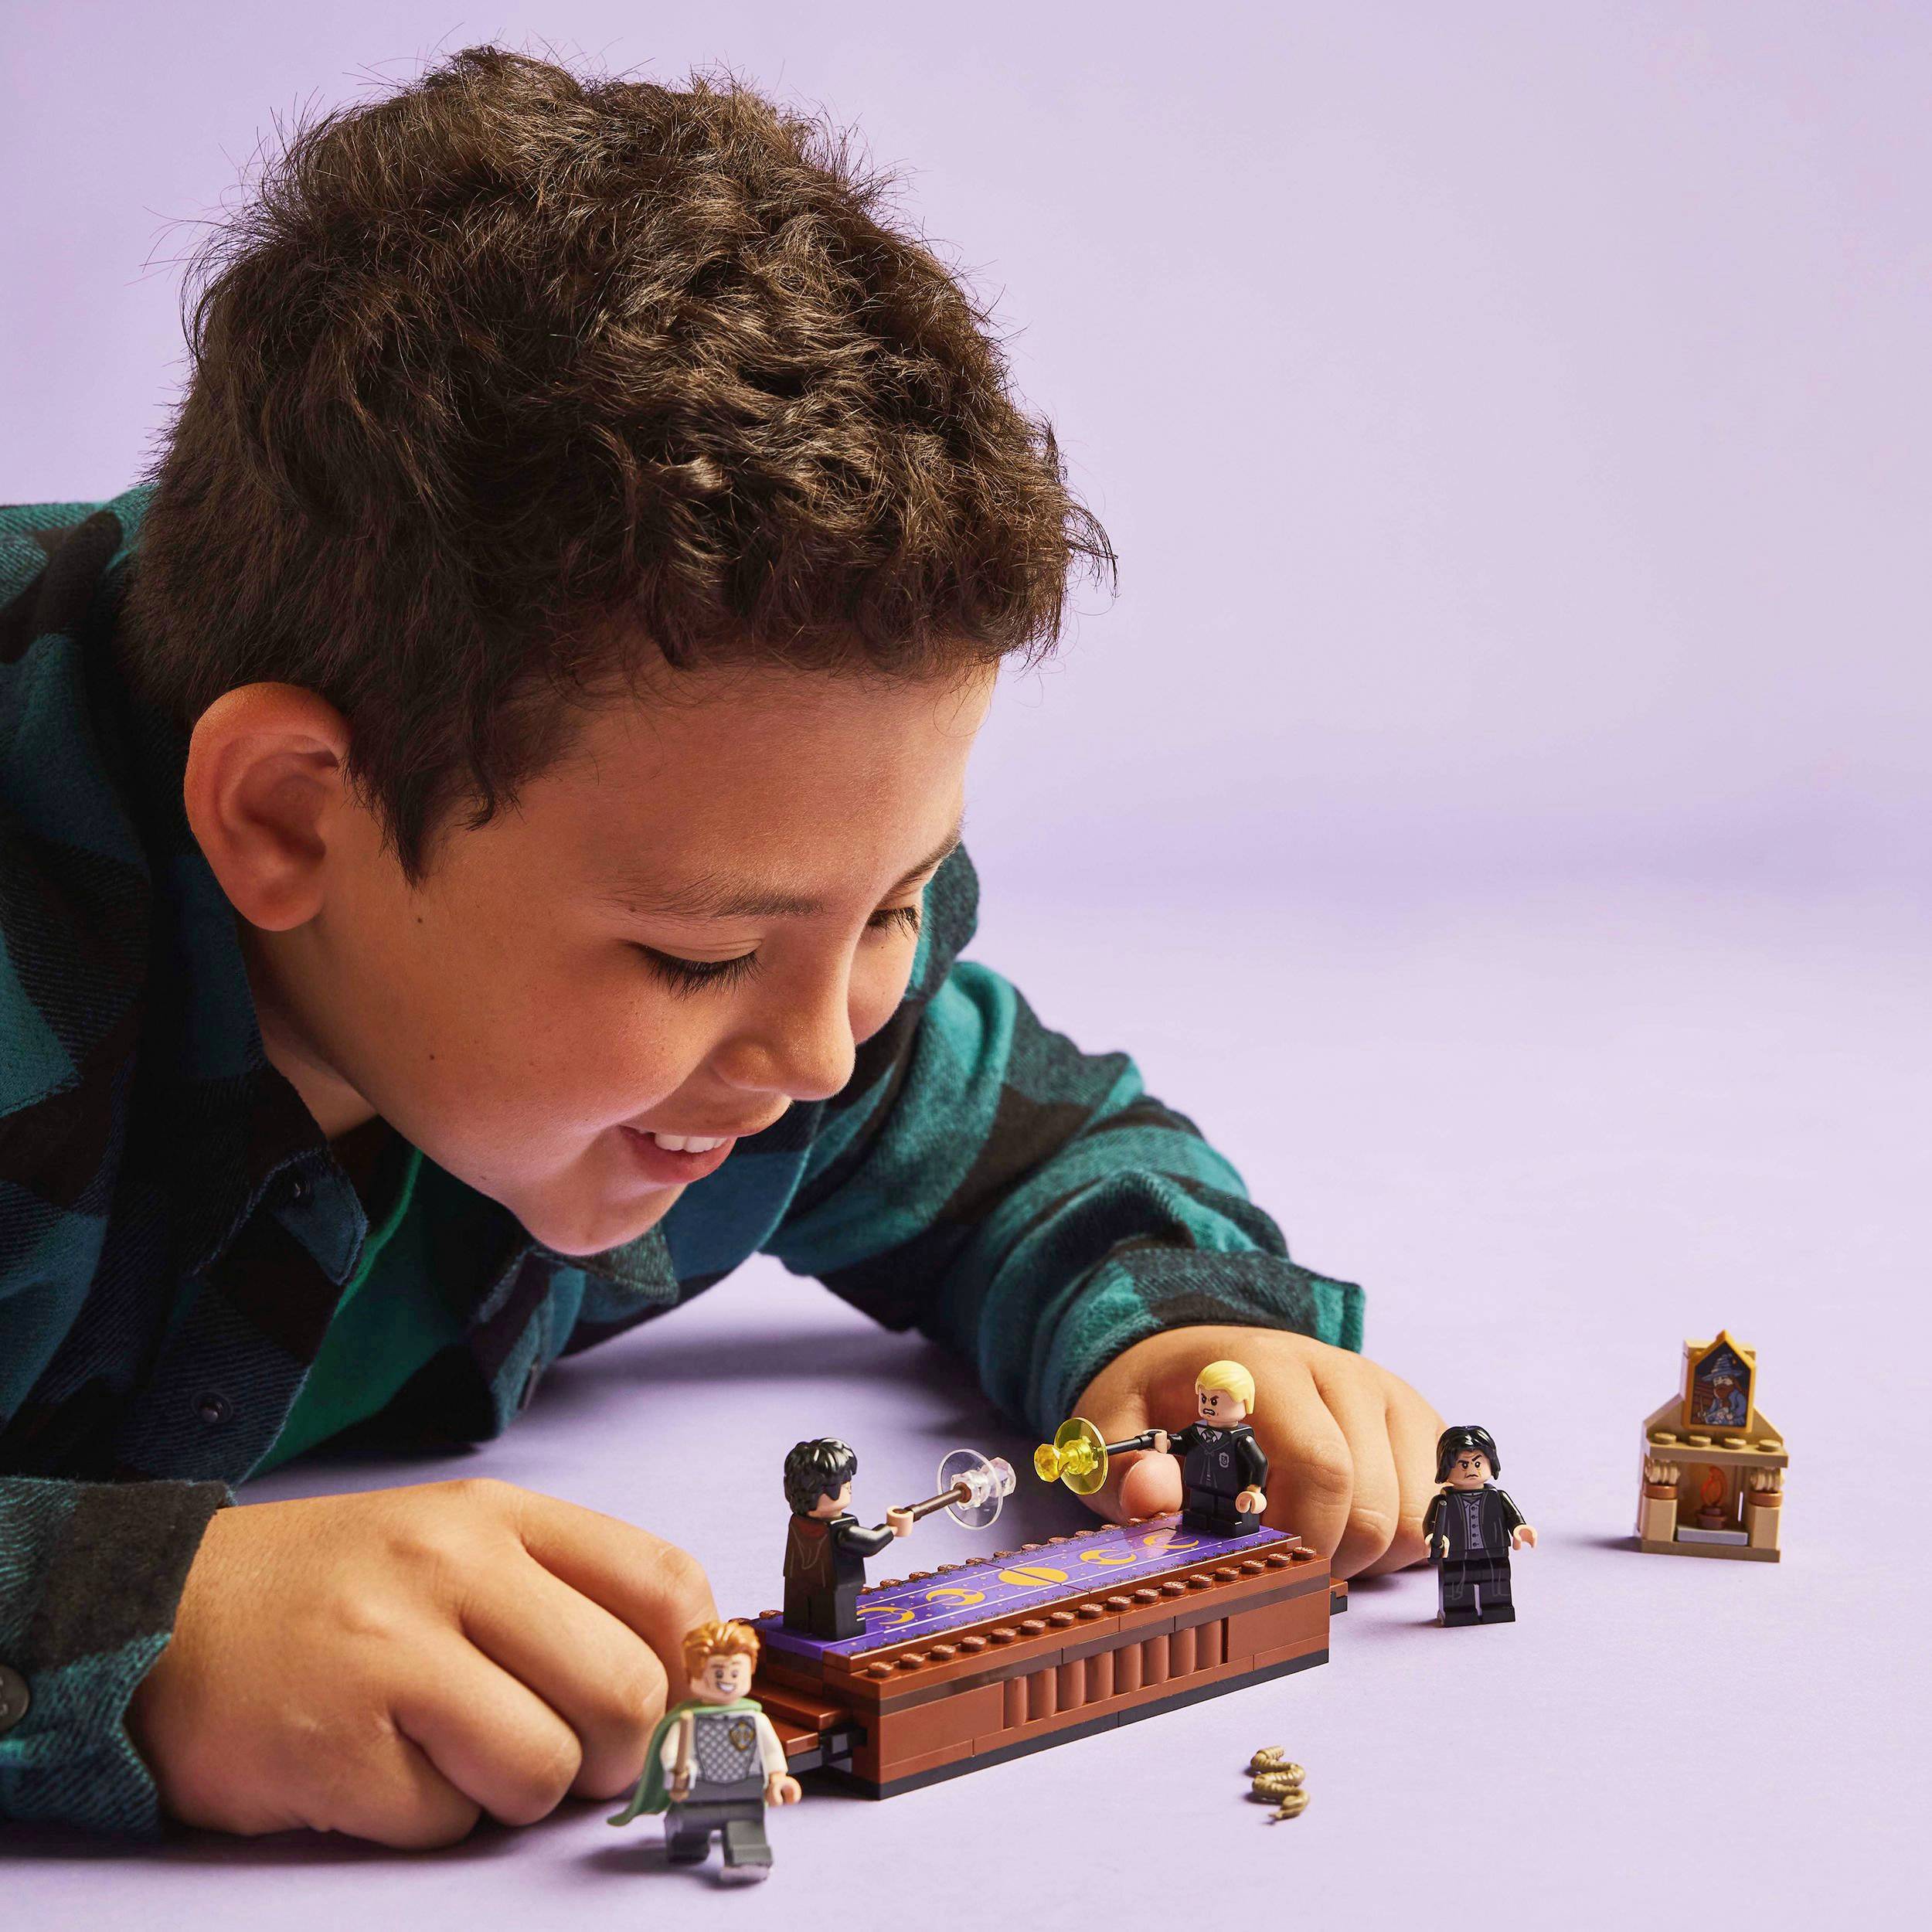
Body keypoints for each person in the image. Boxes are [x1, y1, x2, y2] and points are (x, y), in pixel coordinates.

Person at [0, 47, 1443, 1845]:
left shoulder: (770, 986)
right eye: (692, 958)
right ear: (293, 817)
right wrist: (129, 1624)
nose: (824, 1057)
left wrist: (1186, 1340)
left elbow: (1027, 1150)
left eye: (901, 903)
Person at [608, 1620, 799, 1883]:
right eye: (718, 1673)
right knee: (689, 1830)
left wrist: (778, 1778)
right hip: (698, 1790)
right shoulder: (687, 1720)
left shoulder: (753, 1718)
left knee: (746, 1825)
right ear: (693, 1676)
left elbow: (770, 1752)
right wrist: (680, 1768)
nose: (727, 1682)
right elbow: (671, 1753)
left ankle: (749, 1859)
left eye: (735, 1673)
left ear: (750, 1671)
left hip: (743, 1789)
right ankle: (686, 1845)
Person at [780, 1439, 913, 1640]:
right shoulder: (840, 1529)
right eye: (844, 1484)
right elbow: (871, 1543)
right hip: (836, 1584)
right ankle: (844, 1627)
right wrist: (893, 1528)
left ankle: (798, 1620)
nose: (849, 1487)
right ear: (818, 1490)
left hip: (797, 1577)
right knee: (838, 1610)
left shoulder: (798, 1523)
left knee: (799, 1603)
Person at [1421, 1426, 1536, 1626]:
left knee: (1497, 1581)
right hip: (1456, 1554)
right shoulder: (1443, 1501)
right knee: (1456, 1583)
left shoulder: (1497, 1497)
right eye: (1463, 1465)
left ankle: (1497, 1609)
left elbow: (1513, 1517)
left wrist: (1519, 1529)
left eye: (1477, 1463)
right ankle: (1458, 1611)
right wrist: (1433, 1537)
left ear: (1491, 1463)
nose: (1472, 1470)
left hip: (1494, 1551)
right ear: (1446, 1467)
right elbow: (1430, 1524)